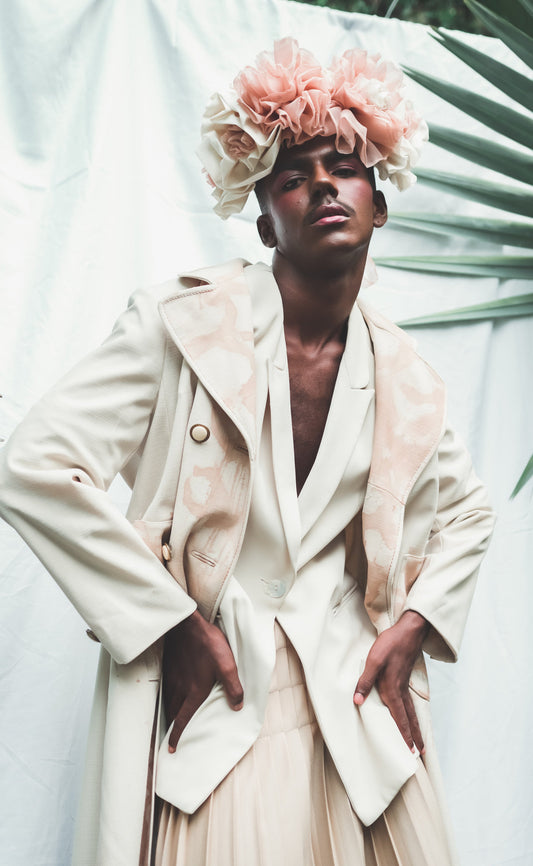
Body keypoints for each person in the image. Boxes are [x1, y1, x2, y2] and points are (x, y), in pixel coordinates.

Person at [0, 38, 494, 866]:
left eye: (344, 167)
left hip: (350, 715)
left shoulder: (405, 375)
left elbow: (469, 511)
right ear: (263, 218)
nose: (323, 186)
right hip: (217, 702)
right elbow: (34, 465)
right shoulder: (180, 324)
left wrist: (416, 623)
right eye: (292, 176)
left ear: (378, 203)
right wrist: (166, 622)